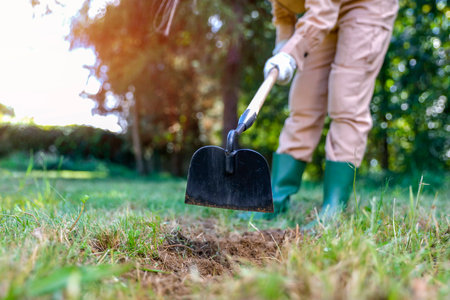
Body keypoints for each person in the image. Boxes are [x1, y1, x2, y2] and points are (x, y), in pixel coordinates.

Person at [263, 0, 398, 224]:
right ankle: (275, 198)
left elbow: (323, 9)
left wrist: (292, 53)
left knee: (347, 100)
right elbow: (282, 9)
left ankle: (333, 209)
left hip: (367, 7)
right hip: (323, 13)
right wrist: (284, 45)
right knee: (303, 102)